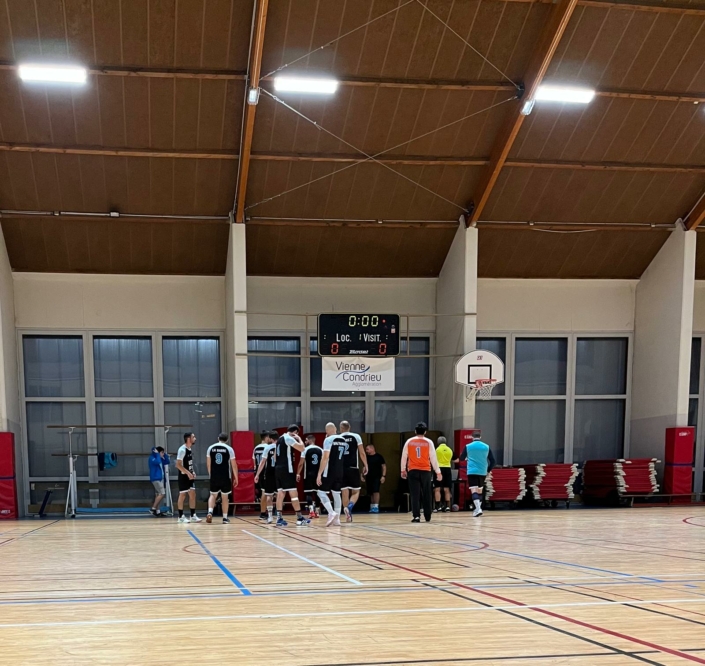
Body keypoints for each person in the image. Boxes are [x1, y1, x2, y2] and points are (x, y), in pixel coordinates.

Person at [401, 422, 441, 523]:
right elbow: (433, 458)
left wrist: (403, 470)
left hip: (413, 470)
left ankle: (416, 516)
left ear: (415, 431)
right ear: (425, 432)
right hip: (426, 471)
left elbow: (404, 456)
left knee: (415, 494)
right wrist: (438, 472)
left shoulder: (409, 441)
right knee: (427, 493)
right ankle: (428, 515)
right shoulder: (429, 442)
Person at [274, 425, 309, 527]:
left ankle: (279, 519)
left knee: (280, 493)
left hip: (278, 469)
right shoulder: (288, 438)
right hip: (287, 469)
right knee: (294, 494)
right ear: (295, 432)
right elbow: (302, 448)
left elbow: (275, 456)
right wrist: (299, 438)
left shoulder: (279, 439)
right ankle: (299, 518)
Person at [456, 434, 496, 517]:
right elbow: (493, 461)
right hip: (483, 471)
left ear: (472, 437)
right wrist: (488, 470)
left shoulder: (468, 446)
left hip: (472, 471)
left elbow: (462, 458)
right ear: (480, 437)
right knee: (479, 491)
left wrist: (467, 457)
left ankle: (478, 509)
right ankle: (478, 509)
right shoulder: (486, 447)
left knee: (474, 490)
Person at [317, 422, 346, 527]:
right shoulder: (343, 440)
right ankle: (337, 519)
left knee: (320, 492)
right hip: (340, 470)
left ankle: (331, 512)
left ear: (326, 431)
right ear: (336, 429)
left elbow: (325, 458)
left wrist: (319, 474)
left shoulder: (328, 440)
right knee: (336, 494)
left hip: (329, 470)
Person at [206, 433, 238, 524]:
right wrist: (236, 477)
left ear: (218, 438)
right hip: (225, 476)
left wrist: (211, 475)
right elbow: (234, 465)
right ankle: (225, 518)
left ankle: (210, 512)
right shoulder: (229, 449)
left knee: (213, 495)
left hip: (214, 475)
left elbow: (208, 464)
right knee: (225, 497)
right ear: (227, 440)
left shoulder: (210, 448)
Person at [339, 421, 368, 522]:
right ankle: (349, 507)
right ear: (349, 427)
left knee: (344, 491)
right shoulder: (356, 436)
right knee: (356, 491)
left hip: (341, 468)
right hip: (353, 467)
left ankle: (347, 515)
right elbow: (362, 453)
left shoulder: (338, 438)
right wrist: (365, 465)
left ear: (341, 428)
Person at [176, 432, 202, 523]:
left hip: (189, 475)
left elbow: (188, 464)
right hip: (183, 476)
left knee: (192, 494)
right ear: (188, 439)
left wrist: (192, 471)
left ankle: (193, 515)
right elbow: (178, 465)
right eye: (193, 437)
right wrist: (187, 473)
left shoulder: (189, 449)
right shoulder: (182, 450)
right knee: (182, 495)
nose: (195, 438)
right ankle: (180, 516)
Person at [254, 431, 278, 523]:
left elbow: (255, 463)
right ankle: (278, 514)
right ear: (267, 437)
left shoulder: (256, 448)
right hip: (275, 471)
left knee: (266, 493)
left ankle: (264, 513)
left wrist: (257, 474)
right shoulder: (272, 447)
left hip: (264, 472)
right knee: (279, 494)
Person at [297, 434, 323, 519]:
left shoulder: (305, 449)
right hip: (318, 474)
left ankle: (311, 511)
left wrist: (298, 473)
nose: (305, 442)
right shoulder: (321, 450)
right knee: (318, 493)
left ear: (310, 440)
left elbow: (301, 463)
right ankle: (317, 512)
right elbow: (324, 462)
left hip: (308, 474)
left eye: (306, 440)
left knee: (308, 493)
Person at [363, 443, 386, 513]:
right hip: (368, 476)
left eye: (367, 449)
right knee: (371, 492)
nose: (366, 451)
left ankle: (376, 506)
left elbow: (384, 466)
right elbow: (364, 467)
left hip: (377, 477)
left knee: (376, 491)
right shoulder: (366, 457)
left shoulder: (379, 457)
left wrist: (383, 476)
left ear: (372, 449)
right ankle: (372, 506)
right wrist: (362, 475)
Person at [434, 436, 454, 513]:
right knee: (447, 488)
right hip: (448, 468)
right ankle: (448, 506)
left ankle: (438, 506)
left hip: (438, 469)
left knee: (437, 488)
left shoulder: (436, 450)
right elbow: (456, 460)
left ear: (438, 442)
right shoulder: (450, 450)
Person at [148, 446, 170, 517]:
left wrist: (165, 455)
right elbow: (158, 462)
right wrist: (157, 454)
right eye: (162, 452)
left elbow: (167, 462)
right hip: (156, 478)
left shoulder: (159, 458)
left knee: (158, 494)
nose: (163, 454)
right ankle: (153, 508)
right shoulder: (152, 458)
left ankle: (157, 511)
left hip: (160, 478)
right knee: (162, 493)